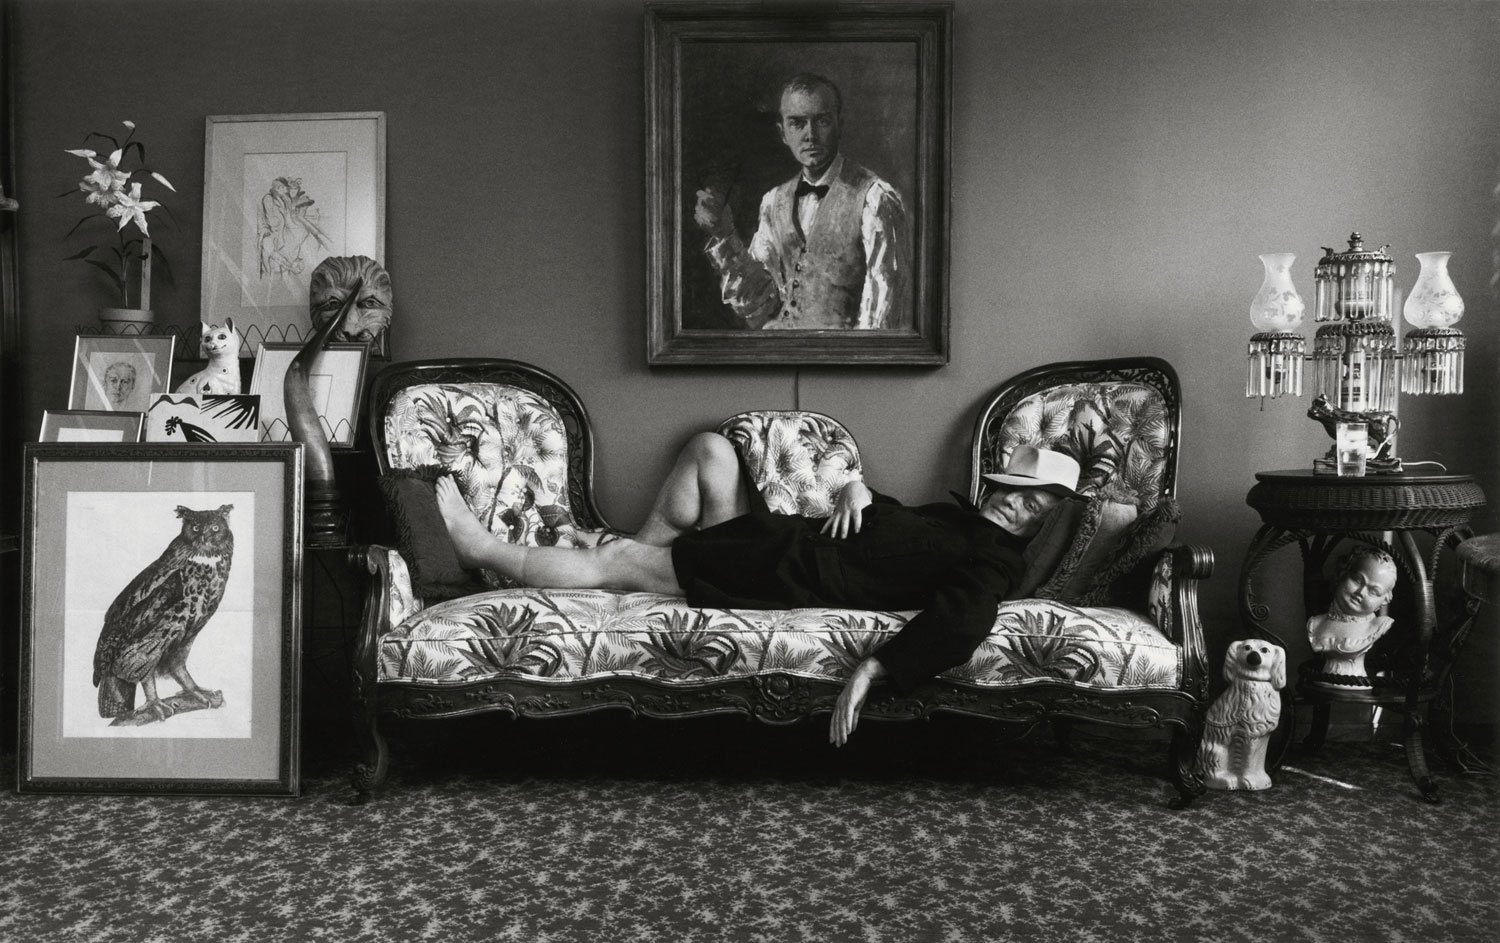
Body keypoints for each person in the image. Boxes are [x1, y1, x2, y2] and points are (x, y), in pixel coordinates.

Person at [434, 434, 1081, 746]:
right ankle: (636, 563)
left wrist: (875, 668)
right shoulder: (959, 521)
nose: (1017, 505)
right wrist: (857, 488)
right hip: (781, 539)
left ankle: (485, 550)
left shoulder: (993, 561)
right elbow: (891, 525)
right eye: (1015, 489)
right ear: (999, 483)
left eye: (1036, 506)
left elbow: (961, 619)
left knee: (621, 561)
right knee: (711, 452)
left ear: (1043, 524)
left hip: (778, 573)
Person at [693, 73, 911, 331]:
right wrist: (724, 233)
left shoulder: (876, 199)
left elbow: (882, 317)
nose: (810, 135)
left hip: (844, 356)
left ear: (839, 126)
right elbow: (758, 307)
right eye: (797, 123)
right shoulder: (773, 201)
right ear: (783, 133)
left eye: (822, 121)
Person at [1305, 545, 1398, 687]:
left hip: (1357, 686)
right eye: (1358, 580)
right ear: (1342, 574)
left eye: (1373, 591)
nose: (1361, 592)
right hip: (1323, 685)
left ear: (1384, 600)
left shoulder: (1378, 626)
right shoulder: (1316, 623)